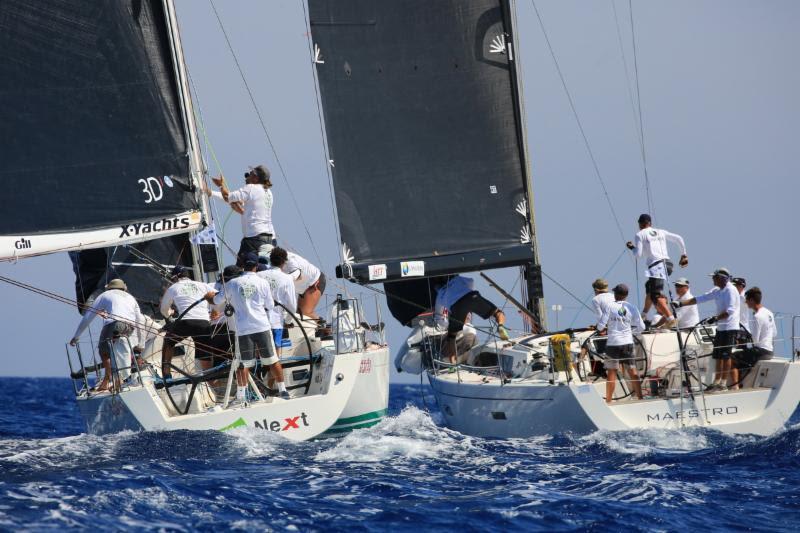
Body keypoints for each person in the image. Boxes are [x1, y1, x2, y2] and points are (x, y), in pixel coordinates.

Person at [211, 253, 288, 404]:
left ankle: (241, 397)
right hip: (262, 327)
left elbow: (216, 300)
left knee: (243, 363)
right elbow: (270, 306)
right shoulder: (262, 282)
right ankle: (283, 390)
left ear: (242, 266)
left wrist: (209, 296)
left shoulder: (232, 283)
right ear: (256, 266)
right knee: (272, 360)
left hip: (243, 330)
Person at [69, 279, 144, 391]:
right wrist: (141, 343)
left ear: (109, 287)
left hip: (114, 324)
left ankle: (110, 378)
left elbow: (88, 316)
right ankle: (117, 378)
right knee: (116, 349)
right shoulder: (131, 298)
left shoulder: (105, 295)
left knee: (104, 352)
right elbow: (141, 320)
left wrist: (76, 336)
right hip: (130, 327)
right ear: (123, 288)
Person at [674, 267, 740, 391]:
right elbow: (701, 298)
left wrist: (715, 318)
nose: (712, 280)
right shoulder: (717, 290)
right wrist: (681, 303)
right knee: (718, 355)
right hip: (721, 327)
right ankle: (716, 381)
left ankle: (723, 383)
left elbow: (730, 311)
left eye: (714, 278)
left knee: (726, 356)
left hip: (730, 327)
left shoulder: (731, 290)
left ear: (721, 278)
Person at [626, 214, 688, 328]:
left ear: (640, 224)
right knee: (649, 287)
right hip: (668, 264)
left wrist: (632, 248)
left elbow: (638, 255)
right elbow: (679, 238)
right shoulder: (661, 231)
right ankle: (644, 315)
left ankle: (670, 318)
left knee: (655, 294)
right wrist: (683, 254)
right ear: (650, 223)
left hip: (656, 266)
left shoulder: (640, 234)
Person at [208, 165, 275, 265]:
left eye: (251, 174)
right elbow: (241, 208)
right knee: (260, 270)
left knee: (240, 271)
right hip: (269, 239)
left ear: (256, 178)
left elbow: (227, 197)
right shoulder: (268, 192)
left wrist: (220, 185)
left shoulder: (251, 188)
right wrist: (211, 193)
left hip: (254, 239)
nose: (247, 175)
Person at [433, 275, 508, 364]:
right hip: (472, 296)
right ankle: (500, 326)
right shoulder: (458, 279)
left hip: (457, 306)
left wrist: (448, 325)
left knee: (451, 338)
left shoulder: (440, 294)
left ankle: (452, 363)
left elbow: (439, 318)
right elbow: (471, 281)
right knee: (498, 313)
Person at [160, 266, 215, 378]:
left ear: (176, 277)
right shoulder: (203, 285)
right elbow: (219, 298)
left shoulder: (173, 287)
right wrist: (215, 311)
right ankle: (209, 377)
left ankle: (166, 373)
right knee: (204, 353)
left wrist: (169, 316)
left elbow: (163, 309)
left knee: (168, 341)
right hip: (204, 323)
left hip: (186, 322)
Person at [597, 284, 645, 403]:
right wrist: (630, 331)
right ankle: (640, 397)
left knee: (612, 372)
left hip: (613, 344)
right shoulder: (632, 308)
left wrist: (602, 328)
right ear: (626, 295)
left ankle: (608, 401)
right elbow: (642, 327)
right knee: (633, 371)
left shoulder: (609, 306)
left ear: (615, 294)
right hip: (627, 343)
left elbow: (601, 326)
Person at [257, 255, 298, 357]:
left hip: (259, 322)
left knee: (259, 355)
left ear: (271, 261)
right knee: (275, 356)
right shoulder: (287, 278)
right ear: (283, 263)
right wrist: (287, 321)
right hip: (276, 323)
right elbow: (292, 306)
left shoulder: (258, 275)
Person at [269, 246, 325, 319]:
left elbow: (298, 276)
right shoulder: (271, 259)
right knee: (297, 314)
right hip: (300, 287)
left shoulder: (291, 261)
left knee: (305, 313)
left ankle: (324, 328)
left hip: (314, 283)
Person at [207, 265, 242, 367]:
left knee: (219, 360)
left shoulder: (209, 285)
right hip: (232, 327)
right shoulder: (234, 285)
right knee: (238, 358)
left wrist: (210, 312)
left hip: (215, 328)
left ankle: (222, 381)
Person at [745, 287, 776, 361]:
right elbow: (774, 333)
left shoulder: (757, 316)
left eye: (747, 300)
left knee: (733, 358)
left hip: (761, 352)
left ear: (752, 300)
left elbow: (755, 340)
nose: (746, 302)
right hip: (770, 351)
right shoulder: (769, 313)